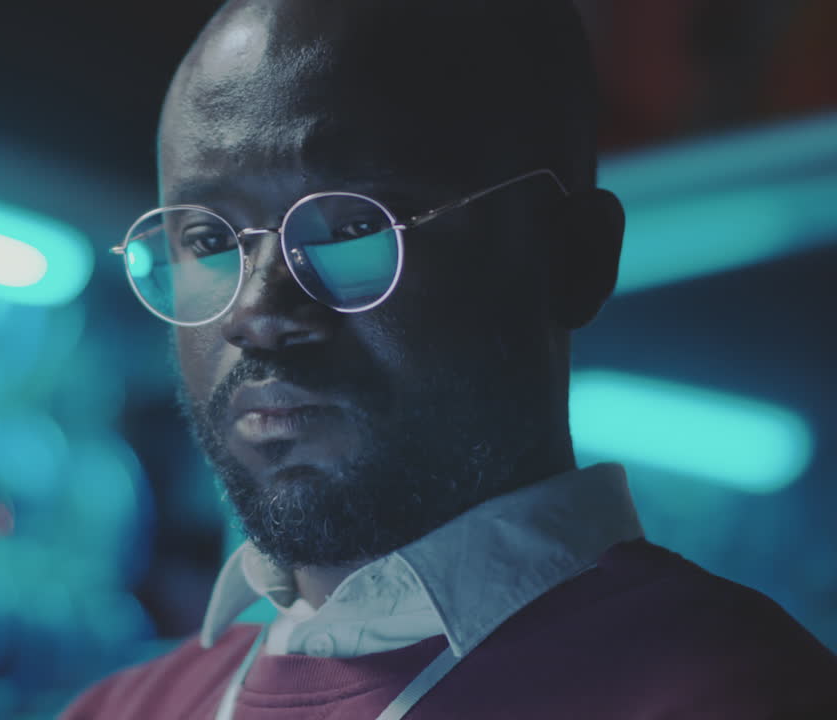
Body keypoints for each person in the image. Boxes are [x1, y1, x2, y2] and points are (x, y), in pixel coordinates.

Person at [62, 1, 837, 717]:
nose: (258, 314)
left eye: (349, 231)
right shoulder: (119, 711)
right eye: (206, 242)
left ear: (572, 258)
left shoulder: (737, 694)